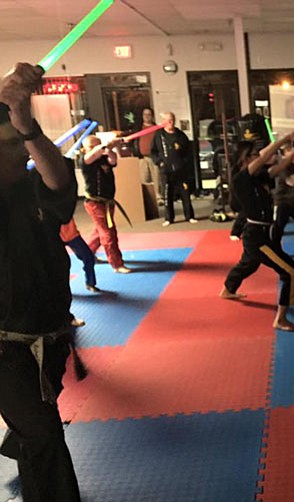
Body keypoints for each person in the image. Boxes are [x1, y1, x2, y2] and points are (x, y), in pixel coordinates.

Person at [0, 62, 81, 501]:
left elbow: (60, 181)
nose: (17, 154)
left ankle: (21, 436)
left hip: (49, 335)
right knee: (46, 436)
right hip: (4, 348)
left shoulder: (33, 188)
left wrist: (26, 124)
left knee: (38, 422)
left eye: (19, 147)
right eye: (8, 146)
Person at [220, 131, 294, 332]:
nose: (259, 157)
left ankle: (227, 289)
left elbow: (281, 165)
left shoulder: (259, 178)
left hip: (264, 233)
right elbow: (267, 155)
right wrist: (284, 139)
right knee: (292, 272)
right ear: (245, 158)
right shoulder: (241, 179)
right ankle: (281, 319)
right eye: (254, 155)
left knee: (248, 264)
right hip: (257, 237)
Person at [81, 134, 131, 274]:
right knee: (108, 233)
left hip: (108, 202)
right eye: (92, 146)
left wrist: (110, 147)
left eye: (98, 144)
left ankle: (87, 254)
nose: (96, 148)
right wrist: (103, 145)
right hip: (94, 202)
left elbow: (113, 160)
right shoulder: (85, 160)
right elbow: (91, 155)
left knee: (99, 230)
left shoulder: (104, 158)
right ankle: (116, 264)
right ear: (85, 149)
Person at [150, 111, 197, 226]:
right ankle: (169, 218)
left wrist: (185, 163)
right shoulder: (159, 135)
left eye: (172, 120)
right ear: (164, 122)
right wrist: (159, 162)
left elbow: (188, 151)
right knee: (168, 195)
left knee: (185, 194)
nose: (171, 122)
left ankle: (189, 216)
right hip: (166, 170)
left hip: (181, 170)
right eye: (168, 120)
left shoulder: (180, 135)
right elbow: (153, 151)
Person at [131, 107, 163, 205]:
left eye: (149, 114)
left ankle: (159, 198)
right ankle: (147, 200)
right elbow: (133, 141)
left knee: (157, 178)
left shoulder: (157, 129)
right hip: (142, 157)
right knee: (144, 178)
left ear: (152, 116)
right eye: (145, 114)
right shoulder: (138, 128)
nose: (147, 116)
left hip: (154, 157)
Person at [60, 217, 99, 292]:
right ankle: (61, 287)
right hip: (54, 236)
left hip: (71, 234)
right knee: (59, 263)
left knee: (89, 257)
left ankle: (90, 283)